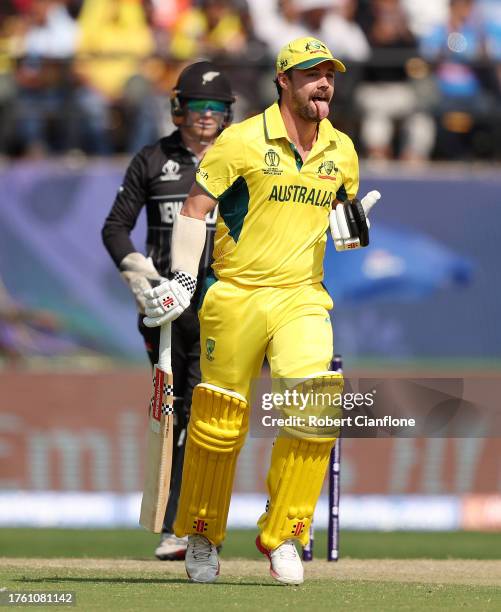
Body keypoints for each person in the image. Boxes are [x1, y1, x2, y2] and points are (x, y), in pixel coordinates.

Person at [141, 36, 381, 585]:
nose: (324, 83)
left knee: (315, 409)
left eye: (329, 74)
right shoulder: (242, 140)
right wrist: (181, 279)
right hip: (237, 295)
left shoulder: (342, 149)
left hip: (303, 295)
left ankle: (286, 536)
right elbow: (196, 210)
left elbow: (341, 228)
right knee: (218, 421)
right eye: (311, 74)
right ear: (284, 81)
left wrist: (354, 227)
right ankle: (201, 534)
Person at [101, 61, 235, 560]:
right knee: (177, 412)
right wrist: (140, 276)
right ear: (179, 108)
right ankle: (179, 527)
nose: (206, 116)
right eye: (198, 107)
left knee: (208, 413)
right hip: (166, 310)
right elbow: (115, 227)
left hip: (224, 305)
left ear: (229, 114)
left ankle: (191, 523)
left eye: (217, 108)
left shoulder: (241, 160)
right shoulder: (154, 159)